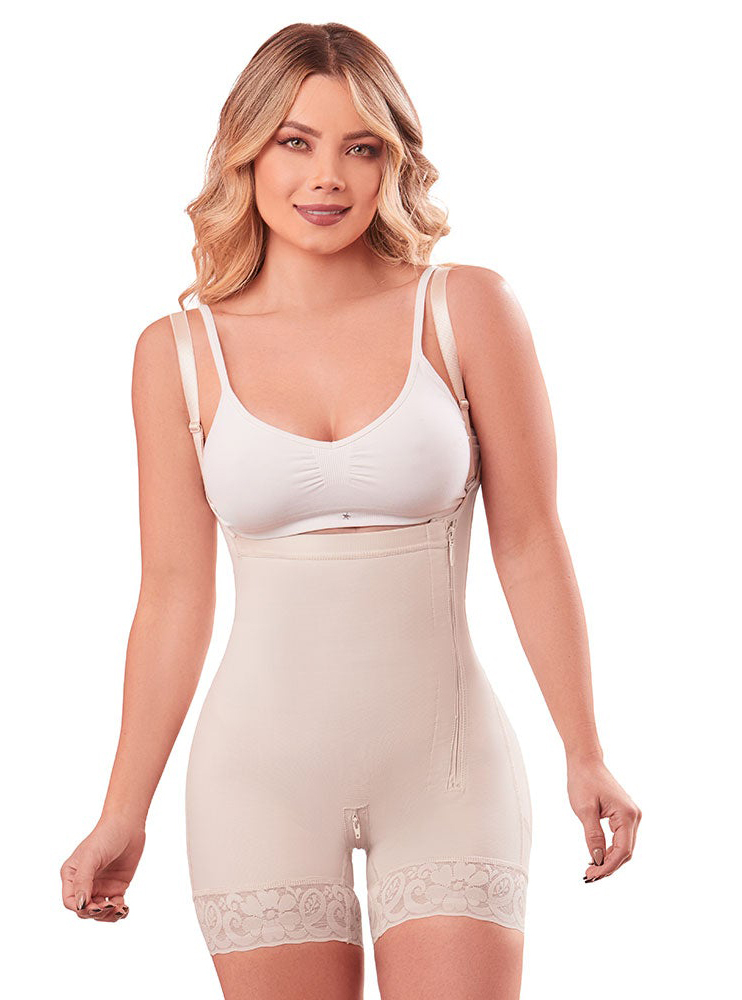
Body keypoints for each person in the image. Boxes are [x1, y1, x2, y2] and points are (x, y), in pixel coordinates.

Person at [60, 21, 641, 1000]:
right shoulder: (176, 352)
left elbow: (533, 542)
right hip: (255, 782)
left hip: (449, 776)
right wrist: (123, 809)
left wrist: (586, 752)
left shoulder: (465, 309)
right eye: (295, 141)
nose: (326, 177)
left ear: (392, 162)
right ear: (246, 151)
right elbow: (171, 596)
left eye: (359, 146)